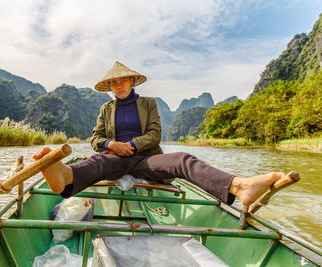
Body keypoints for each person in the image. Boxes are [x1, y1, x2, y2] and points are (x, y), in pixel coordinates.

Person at [33, 61, 298, 211]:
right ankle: (63, 177)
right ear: (110, 87)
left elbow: (155, 134)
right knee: (97, 162)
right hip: (113, 156)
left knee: (182, 159)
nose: (119, 85)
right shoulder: (106, 108)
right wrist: (112, 144)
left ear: (133, 81)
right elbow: (95, 138)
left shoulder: (148, 103)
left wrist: (132, 145)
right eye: (114, 83)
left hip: (144, 159)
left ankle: (240, 186)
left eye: (123, 80)